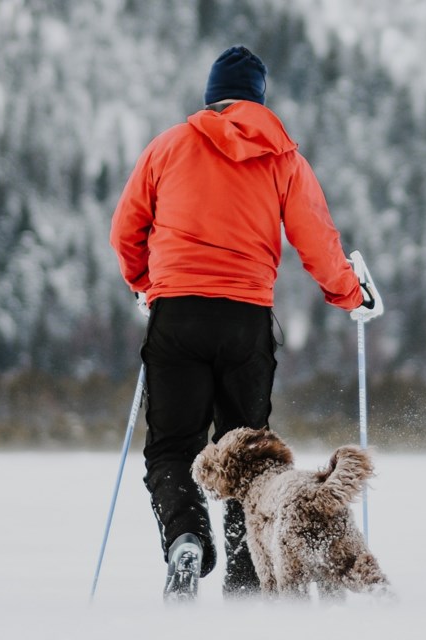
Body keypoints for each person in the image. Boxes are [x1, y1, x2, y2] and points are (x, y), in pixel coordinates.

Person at [109, 45, 383, 601]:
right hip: (245, 321)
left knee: (171, 447)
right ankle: (246, 580)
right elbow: (318, 243)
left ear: (211, 96)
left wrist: (145, 285)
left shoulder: (167, 146)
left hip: (177, 313)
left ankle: (185, 538)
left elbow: (125, 231)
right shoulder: (282, 157)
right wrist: (352, 295)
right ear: (259, 99)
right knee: (251, 459)